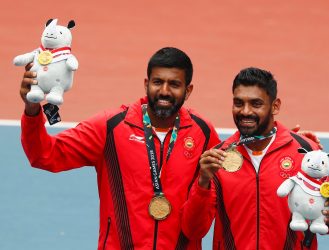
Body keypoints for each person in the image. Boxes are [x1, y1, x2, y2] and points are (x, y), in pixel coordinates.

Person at [19, 47, 221, 249]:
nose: (164, 91)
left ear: (188, 90)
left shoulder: (202, 133)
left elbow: (221, 200)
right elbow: (45, 155)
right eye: (158, 82)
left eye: (174, 84)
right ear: (146, 84)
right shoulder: (110, 127)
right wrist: (32, 109)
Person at [180, 67, 329, 250]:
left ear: (275, 106)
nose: (245, 111)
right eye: (239, 103)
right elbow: (193, 230)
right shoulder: (218, 158)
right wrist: (202, 182)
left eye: (256, 104)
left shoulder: (305, 151)